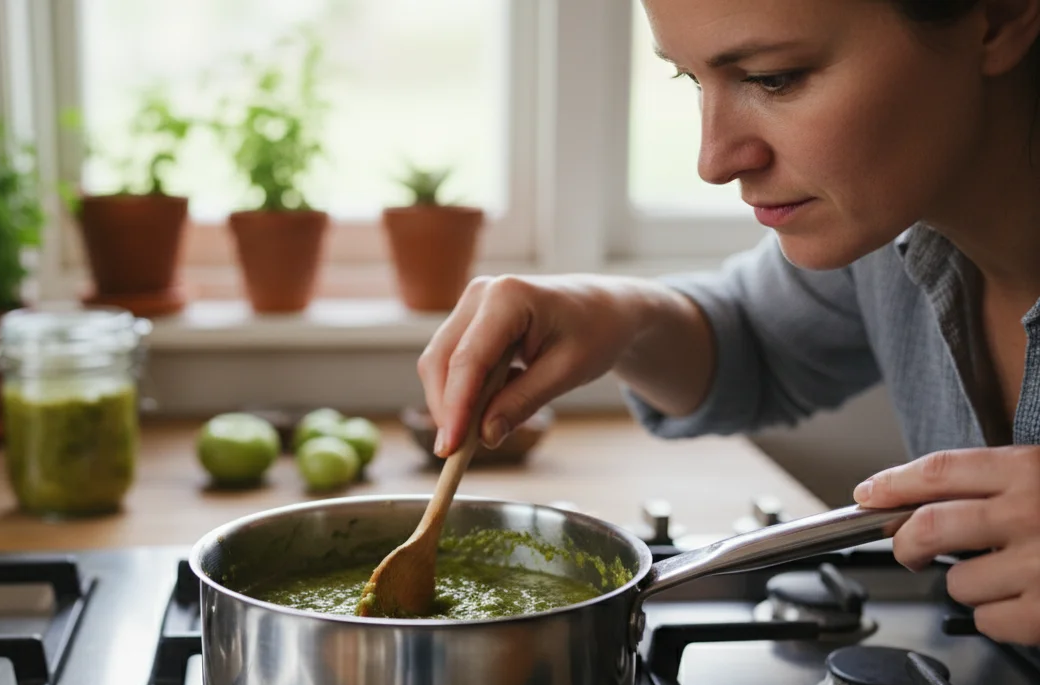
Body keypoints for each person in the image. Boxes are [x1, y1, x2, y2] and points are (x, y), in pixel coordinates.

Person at [418, 0, 1040, 647]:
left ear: (997, 16)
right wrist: (621, 316)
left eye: (774, 78)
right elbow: (755, 340)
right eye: (690, 79)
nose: (714, 161)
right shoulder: (889, 230)